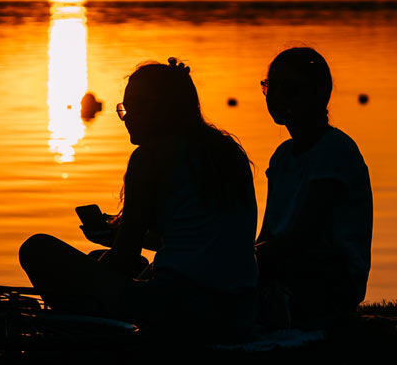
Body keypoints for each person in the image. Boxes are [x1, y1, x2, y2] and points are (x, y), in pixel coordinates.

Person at [19, 58, 258, 343]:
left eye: (133, 107)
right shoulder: (226, 151)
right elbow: (199, 240)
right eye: (124, 109)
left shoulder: (151, 157)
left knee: (37, 249)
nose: (127, 117)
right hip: (240, 308)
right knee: (97, 261)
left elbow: (125, 257)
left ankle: (80, 338)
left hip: (182, 309)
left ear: (160, 108)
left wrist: (88, 280)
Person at [255, 47, 372, 330]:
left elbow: (304, 235)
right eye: (271, 86)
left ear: (320, 95)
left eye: (290, 89)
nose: (276, 97)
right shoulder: (282, 156)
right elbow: (269, 232)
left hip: (329, 278)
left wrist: (245, 260)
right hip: (287, 267)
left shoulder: (334, 151)